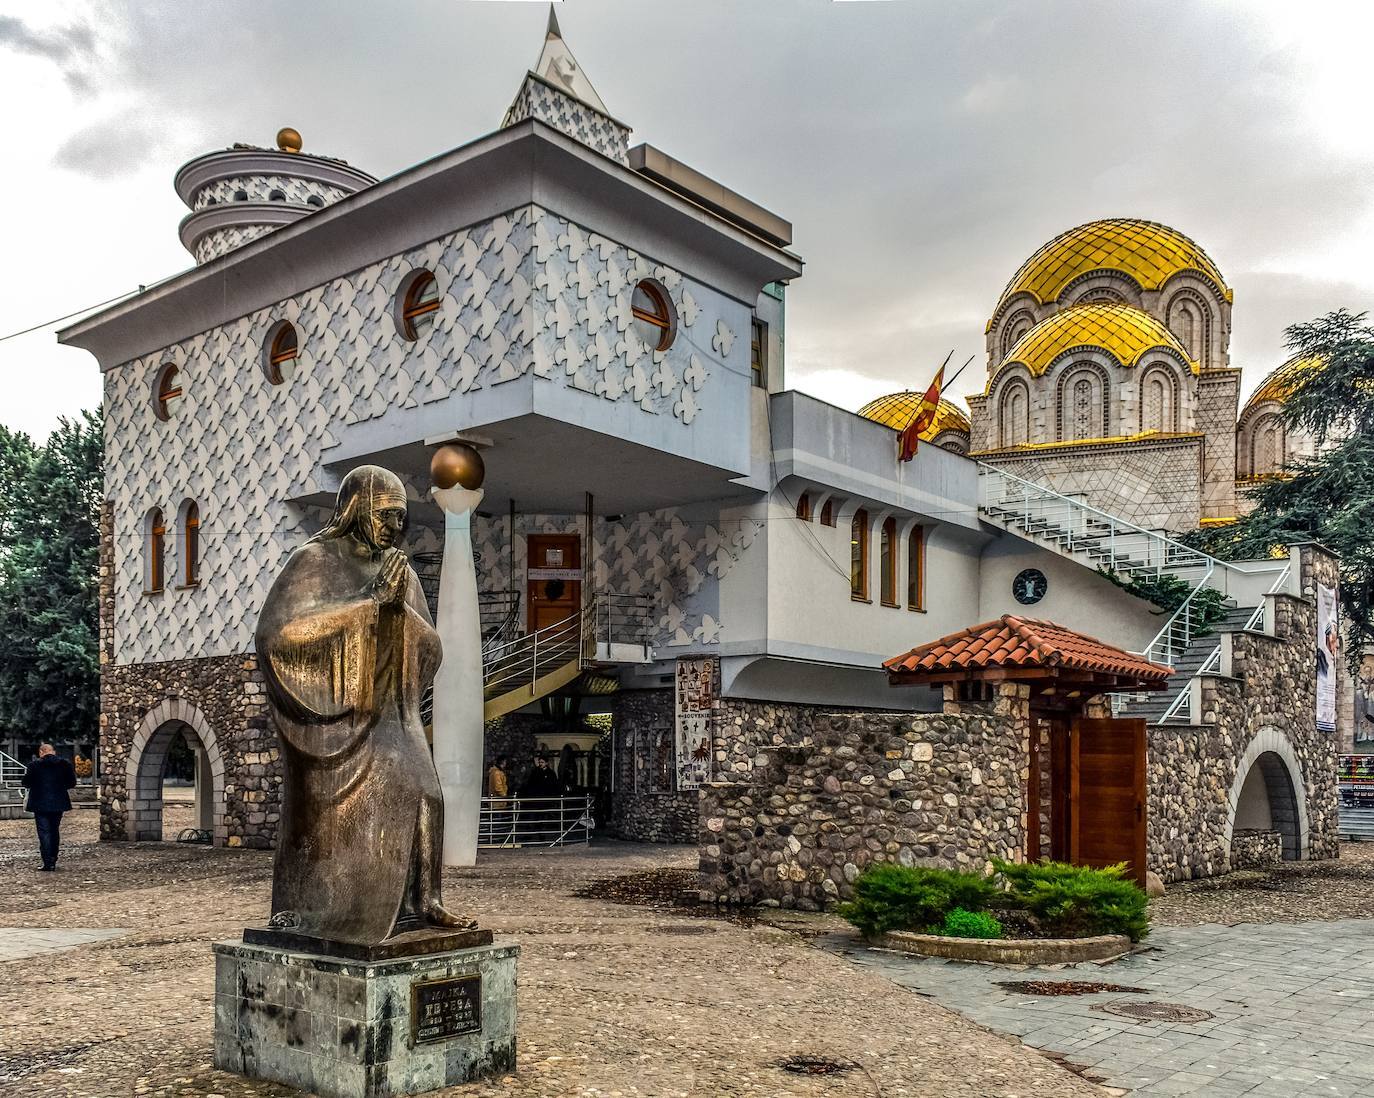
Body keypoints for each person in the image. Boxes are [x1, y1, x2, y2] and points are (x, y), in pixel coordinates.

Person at [22, 744, 77, 871]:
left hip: (39, 803)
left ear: (41, 752)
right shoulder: (64, 764)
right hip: (58, 803)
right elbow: (72, 783)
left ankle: (48, 862)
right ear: (53, 752)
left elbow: (26, 783)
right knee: (54, 830)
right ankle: (53, 858)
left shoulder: (34, 765)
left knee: (44, 832)